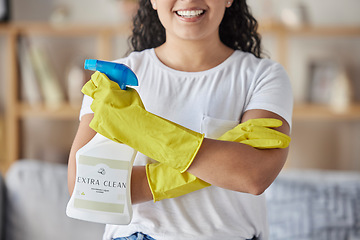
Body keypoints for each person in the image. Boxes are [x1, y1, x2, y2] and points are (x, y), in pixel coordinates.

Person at [67, 0, 293, 239]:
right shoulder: (113, 79)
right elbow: (84, 187)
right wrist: (223, 163)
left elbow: (255, 176)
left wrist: (139, 128)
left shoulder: (264, 76)